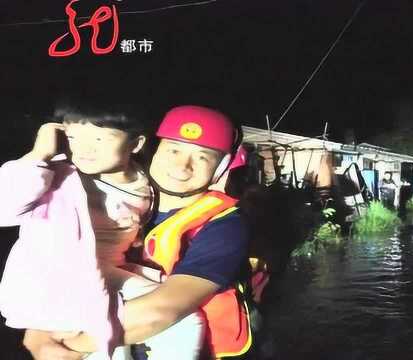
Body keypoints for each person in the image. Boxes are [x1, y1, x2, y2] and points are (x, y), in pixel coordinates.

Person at [22, 105, 252, 360]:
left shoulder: (224, 226)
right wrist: (40, 332)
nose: (182, 166)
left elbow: (163, 309)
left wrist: (72, 346)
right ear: (153, 150)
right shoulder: (122, 199)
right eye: (173, 149)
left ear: (221, 168)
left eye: (202, 157)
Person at [0, 103, 154, 358]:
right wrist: (39, 155)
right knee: (182, 318)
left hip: (113, 273)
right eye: (73, 137)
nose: (84, 149)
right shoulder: (57, 175)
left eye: (99, 138)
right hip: (60, 280)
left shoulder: (148, 180)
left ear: (135, 144)